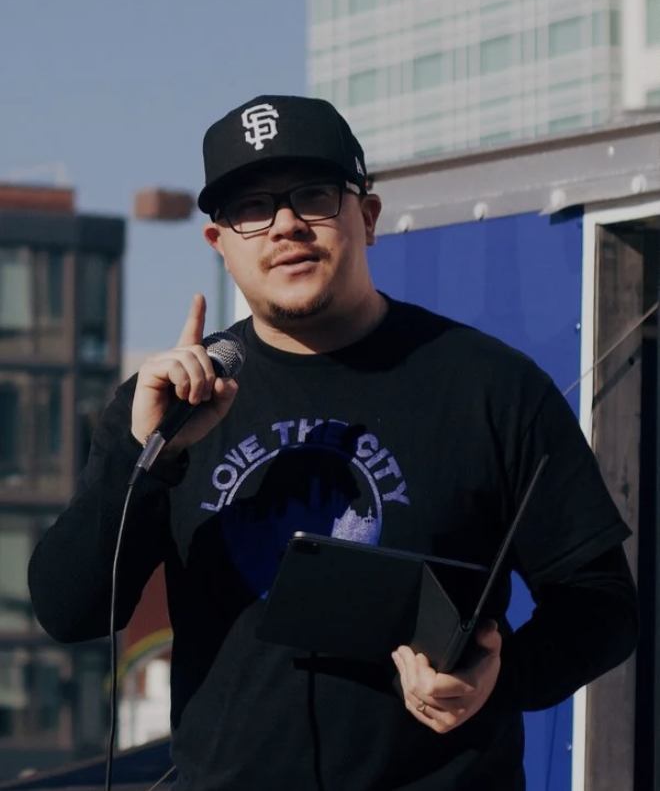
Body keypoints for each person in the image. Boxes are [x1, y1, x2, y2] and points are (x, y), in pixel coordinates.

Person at [28, 95, 638, 791]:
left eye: (313, 196)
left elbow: (602, 606)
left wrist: (500, 677)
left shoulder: (489, 385)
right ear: (218, 243)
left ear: (368, 217)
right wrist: (148, 457)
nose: (284, 225)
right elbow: (68, 609)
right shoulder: (165, 403)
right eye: (250, 208)